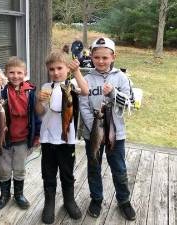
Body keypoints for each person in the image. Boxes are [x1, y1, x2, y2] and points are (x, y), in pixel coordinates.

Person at [79, 37, 136, 220]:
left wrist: (113, 92)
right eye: (97, 57)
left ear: (113, 57)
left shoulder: (121, 77)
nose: (101, 61)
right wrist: (96, 128)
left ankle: (124, 201)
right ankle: (96, 199)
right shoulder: (86, 79)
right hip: (93, 134)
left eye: (105, 57)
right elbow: (84, 105)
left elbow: (129, 103)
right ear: (92, 57)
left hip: (116, 134)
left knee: (119, 168)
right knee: (94, 167)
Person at [35, 51, 89, 224]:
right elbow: (40, 113)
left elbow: (86, 91)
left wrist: (77, 72)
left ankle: (69, 201)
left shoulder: (72, 84)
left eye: (60, 68)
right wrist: (38, 100)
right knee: (48, 174)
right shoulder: (45, 87)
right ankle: (49, 203)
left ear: (67, 69)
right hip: (47, 139)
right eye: (52, 69)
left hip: (67, 140)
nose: (56, 72)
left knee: (67, 173)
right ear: (48, 70)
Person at [0, 56, 41, 211]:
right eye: (11, 72)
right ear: (6, 74)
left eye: (19, 72)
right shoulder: (1, 90)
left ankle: (19, 195)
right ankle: (4, 195)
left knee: (19, 168)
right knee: (4, 169)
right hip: (4, 139)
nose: (15, 76)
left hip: (23, 139)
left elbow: (35, 115)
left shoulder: (30, 92)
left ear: (25, 73)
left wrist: (37, 135)